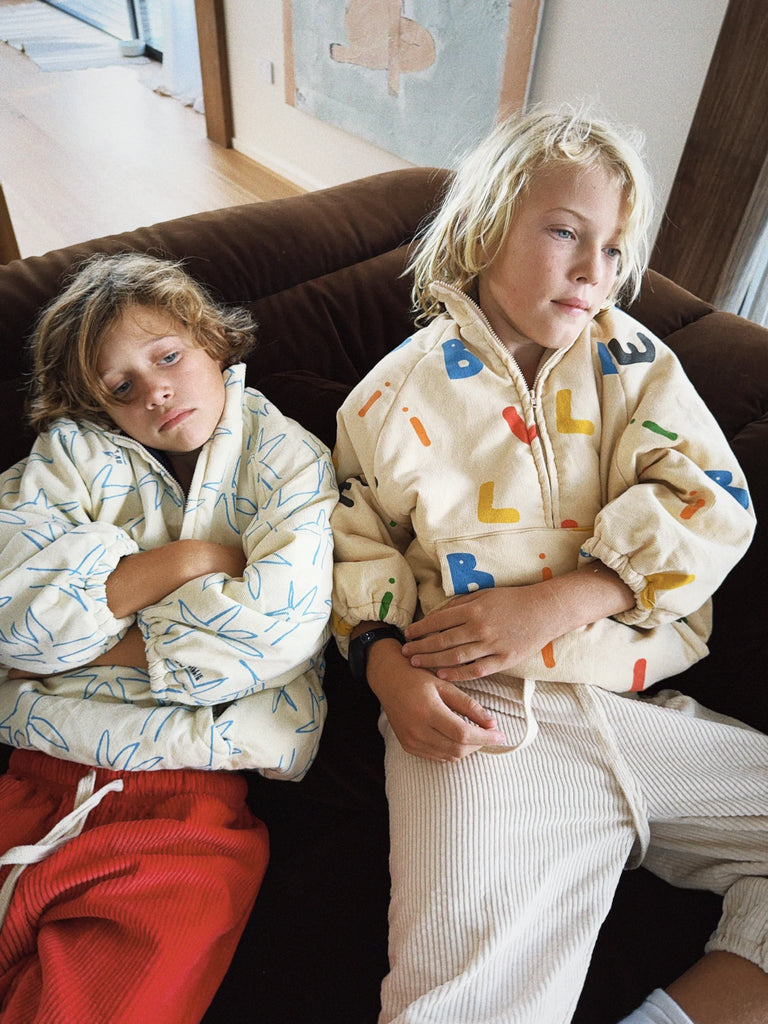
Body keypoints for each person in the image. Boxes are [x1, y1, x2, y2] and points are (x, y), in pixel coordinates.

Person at [330, 107, 768, 1024]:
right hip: (479, 722)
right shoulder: (391, 397)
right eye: (566, 232)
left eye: (613, 248)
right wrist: (384, 671)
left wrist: (578, 594)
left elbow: (711, 498)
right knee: (459, 1003)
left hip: (637, 708)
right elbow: (352, 543)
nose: (592, 270)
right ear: (487, 228)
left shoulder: (634, 363)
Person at [0, 253, 337, 1023]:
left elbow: (273, 629)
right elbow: (9, 608)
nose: (153, 390)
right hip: (30, 775)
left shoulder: (287, 459)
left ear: (211, 343)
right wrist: (188, 564)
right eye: (120, 387)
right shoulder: (65, 460)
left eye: (168, 357)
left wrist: (91, 629)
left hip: (186, 814)